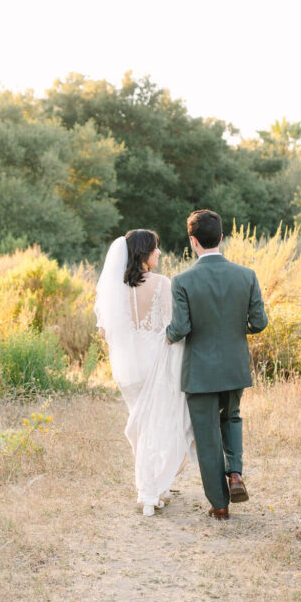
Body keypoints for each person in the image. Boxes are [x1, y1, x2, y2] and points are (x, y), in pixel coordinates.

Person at [165, 209, 268, 520]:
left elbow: (180, 329)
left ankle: (220, 505)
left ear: (193, 242)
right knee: (232, 418)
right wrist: (235, 329)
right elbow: (259, 322)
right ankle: (235, 474)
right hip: (234, 366)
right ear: (222, 238)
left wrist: (166, 337)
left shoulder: (182, 280)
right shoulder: (246, 275)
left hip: (199, 371)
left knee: (207, 434)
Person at [94, 229, 194, 517]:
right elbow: (170, 326)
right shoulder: (162, 284)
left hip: (128, 368)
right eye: (156, 248)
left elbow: (104, 332)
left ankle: (153, 488)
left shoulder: (115, 287)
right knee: (158, 427)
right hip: (154, 364)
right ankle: (149, 491)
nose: (159, 253)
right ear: (143, 253)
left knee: (141, 426)